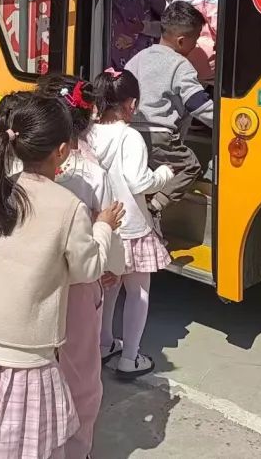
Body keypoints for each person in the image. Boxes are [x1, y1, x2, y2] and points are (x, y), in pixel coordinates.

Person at [0, 95, 125, 459]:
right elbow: (88, 268)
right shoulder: (67, 205)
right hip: (22, 352)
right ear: (62, 150)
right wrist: (104, 227)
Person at [35, 75, 124, 459]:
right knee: (81, 377)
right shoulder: (90, 174)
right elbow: (102, 232)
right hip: (77, 284)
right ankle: (75, 449)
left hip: (33, 283)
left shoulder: (18, 165)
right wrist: (113, 265)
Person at [87, 68, 175, 379]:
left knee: (108, 289)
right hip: (132, 225)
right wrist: (164, 174)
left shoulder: (88, 133)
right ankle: (129, 357)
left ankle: (103, 343)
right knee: (138, 292)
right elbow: (140, 183)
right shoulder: (130, 136)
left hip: (103, 224)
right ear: (132, 104)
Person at [124, 2, 214, 213]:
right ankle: (156, 206)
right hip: (161, 136)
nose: (197, 44)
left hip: (132, 131)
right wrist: (225, 121)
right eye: (197, 38)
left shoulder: (137, 58)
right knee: (190, 166)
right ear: (182, 41)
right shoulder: (181, 65)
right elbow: (196, 103)